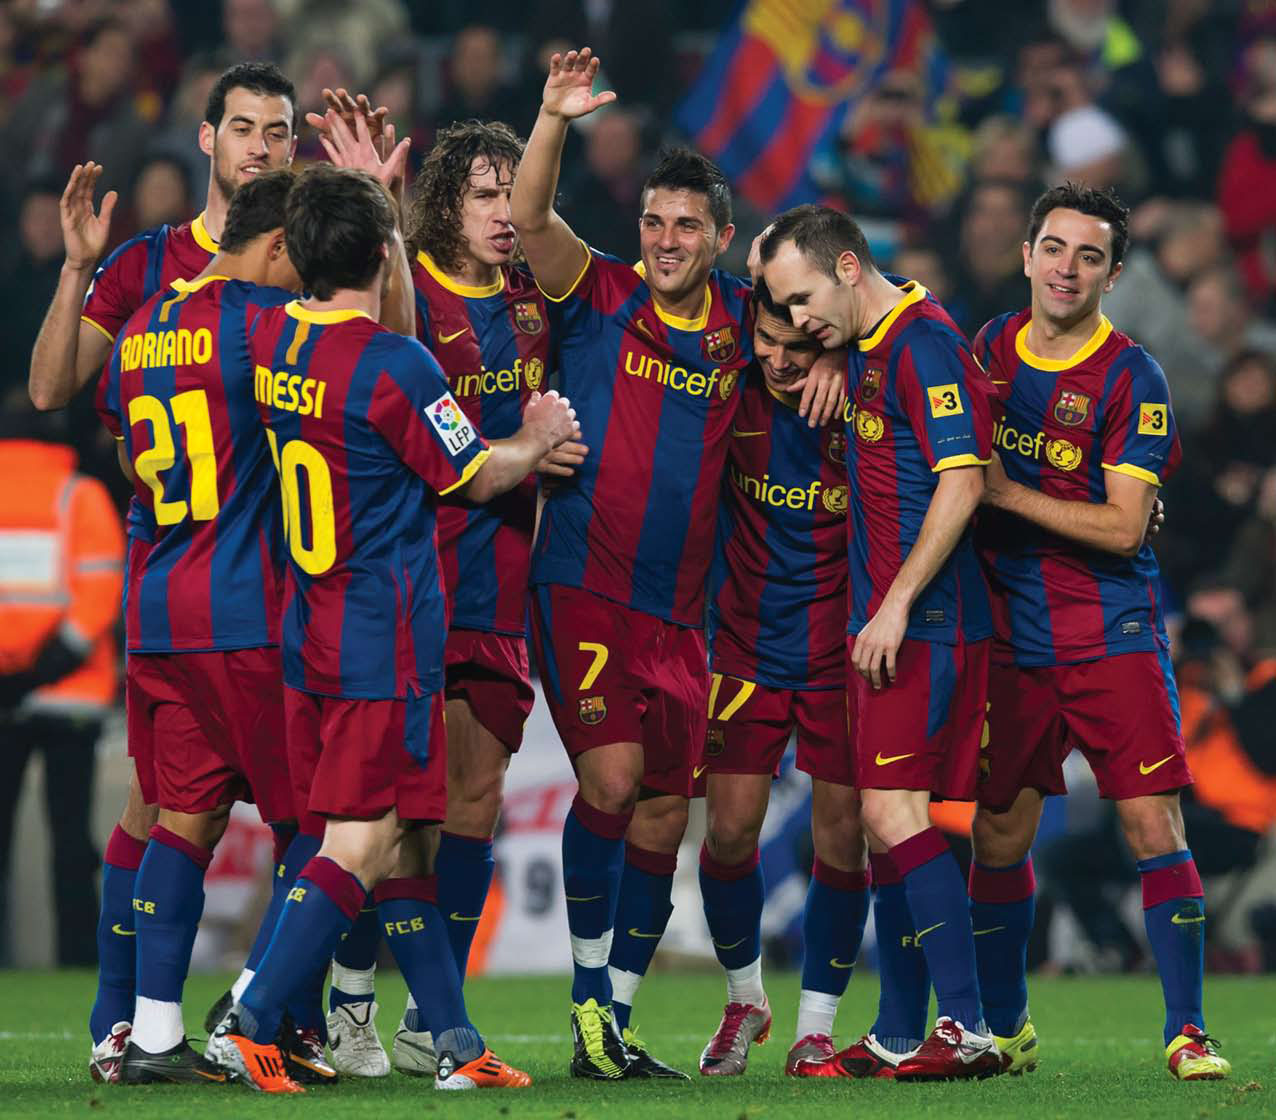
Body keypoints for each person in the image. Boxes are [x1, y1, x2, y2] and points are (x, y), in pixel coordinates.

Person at [206, 163, 577, 1093]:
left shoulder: (278, 339)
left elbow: (379, 342)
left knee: (405, 836)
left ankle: (453, 1041)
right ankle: (250, 1016)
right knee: (363, 844)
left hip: (310, 629)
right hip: (384, 635)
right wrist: (536, 437)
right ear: (383, 253)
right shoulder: (396, 366)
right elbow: (476, 475)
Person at [510, 46, 841, 1082]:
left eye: (685, 226)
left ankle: (611, 1018)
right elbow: (529, 220)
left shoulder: (745, 325)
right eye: (654, 222)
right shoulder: (602, 291)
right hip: (582, 583)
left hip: (677, 617)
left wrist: (835, 356)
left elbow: (841, 304)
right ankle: (585, 997)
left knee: (664, 807)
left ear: (721, 239)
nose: (664, 240)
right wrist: (553, 118)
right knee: (612, 780)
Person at [24, 59, 299, 1083]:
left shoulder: (288, 261)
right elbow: (51, 385)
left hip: (235, 578)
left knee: (193, 809)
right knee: (186, 808)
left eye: (278, 130)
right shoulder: (148, 265)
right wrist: (75, 270)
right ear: (207, 138)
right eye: (244, 127)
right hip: (217, 576)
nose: (261, 146)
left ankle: (214, 1023)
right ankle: (144, 1020)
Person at [969, 181, 1231, 1081]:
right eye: (1054, 248)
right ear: (1027, 254)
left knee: (1153, 824)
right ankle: (1006, 1026)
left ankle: (1188, 1031)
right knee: (999, 836)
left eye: (1089, 256)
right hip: (1009, 633)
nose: (1066, 269)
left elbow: (1123, 529)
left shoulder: (1133, 376)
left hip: (1108, 627)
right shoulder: (988, 347)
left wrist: (1006, 493)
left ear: (1114, 275)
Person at [760, 204, 1001, 1081]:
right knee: (883, 822)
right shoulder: (872, 339)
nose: (794, 322)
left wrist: (896, 605)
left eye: (801, 301)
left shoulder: (924, 345)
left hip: (924, 621)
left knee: (892, 814)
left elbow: (964, 481)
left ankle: (968, 1026)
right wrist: (832, 347)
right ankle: (901, 1027)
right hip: (888, 623)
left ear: (848, 268)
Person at [94, 169, 308, 1085]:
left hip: (157, 606)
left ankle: (150, 1036)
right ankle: (255, 1011)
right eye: (301, 261)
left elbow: (125, 448)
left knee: (184, 818)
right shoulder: (263, 322)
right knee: (324, 823)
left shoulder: (141, 325)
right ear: (275, 247)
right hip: (243, 606)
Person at [693, 279, 870, 1077]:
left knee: (841, 839)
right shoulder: (734, 390)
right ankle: (745, 1000)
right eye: (766, 340)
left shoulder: (862, 395)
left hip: (843, 652)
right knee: (729, 834)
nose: (777, 358)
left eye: (797, 345)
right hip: (747, 647)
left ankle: (816, 1029)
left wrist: (842, 359)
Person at [0, 391, 124, 969]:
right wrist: (43, 670)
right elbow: (99, 595)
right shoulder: (79, 496)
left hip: (4, 697)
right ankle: (78, 960)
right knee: (71, 836)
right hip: (70, 694)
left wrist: (10, 681)